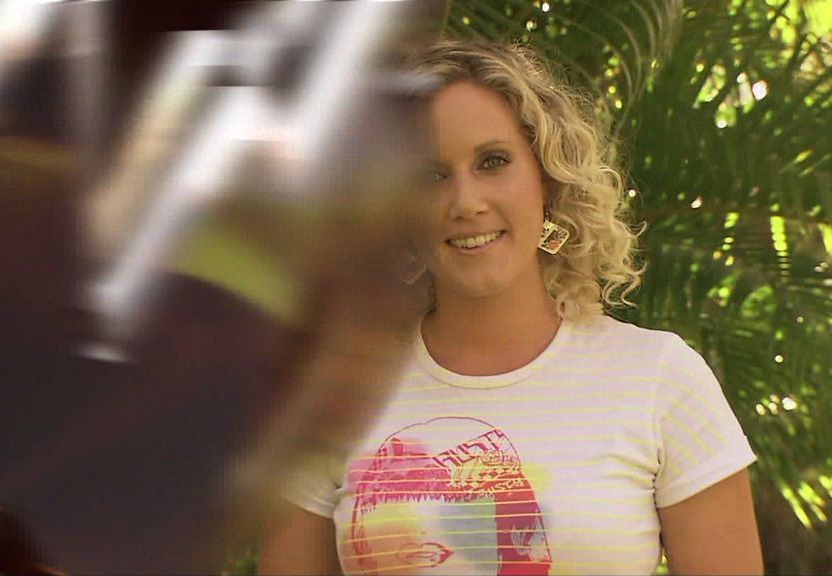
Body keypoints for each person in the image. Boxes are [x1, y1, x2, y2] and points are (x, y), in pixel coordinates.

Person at [258, 40, 763, 575]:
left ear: (546, 178)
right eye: (431, 176)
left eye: (493, 162)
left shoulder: (659, 377)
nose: (467, 202)